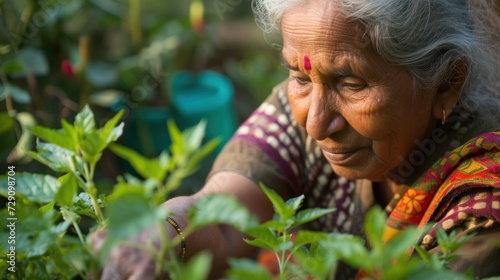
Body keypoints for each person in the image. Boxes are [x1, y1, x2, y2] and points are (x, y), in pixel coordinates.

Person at [93, 0, 500, 279]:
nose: (316, 124)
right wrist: (166, 229)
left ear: (446, 83)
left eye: (352, 83)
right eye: (299, 77)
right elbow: (222, 222)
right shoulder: (304, 109)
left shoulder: (482, 208)